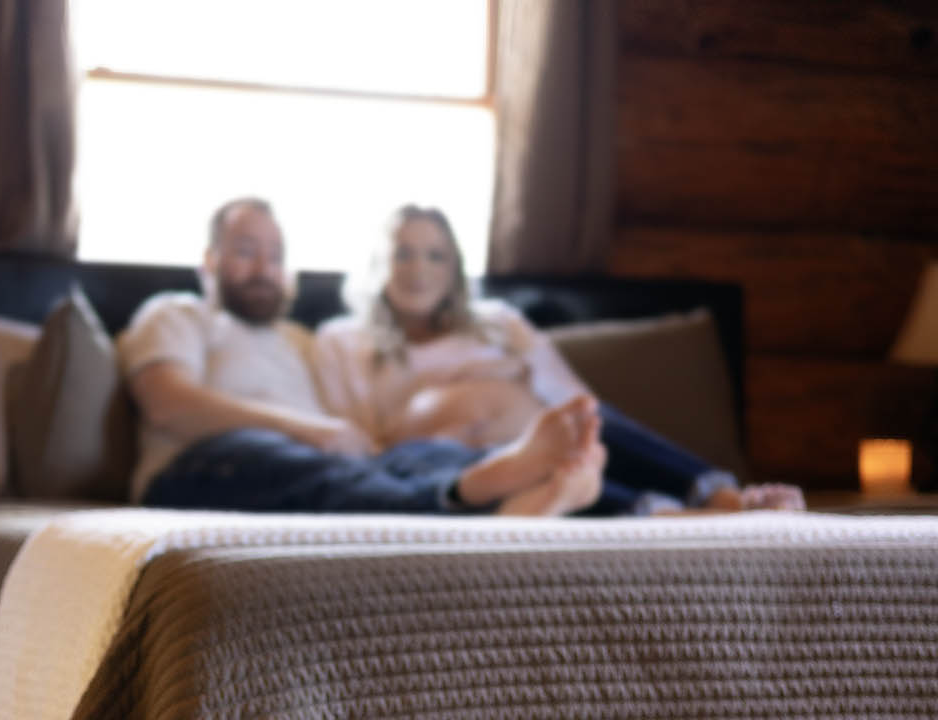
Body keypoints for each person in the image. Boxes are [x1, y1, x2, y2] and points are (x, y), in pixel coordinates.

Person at [118, 198, 605, 519]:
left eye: (276, 254)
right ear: (210, 261)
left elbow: (357, 418)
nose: (264, 268)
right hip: (201, 468)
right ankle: (481, 496)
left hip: (309, 466)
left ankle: (516, 491)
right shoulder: (178, 313)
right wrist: (315, 431)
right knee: (299, 463)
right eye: (246, 251)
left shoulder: (299, 342)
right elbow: (168, 402)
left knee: (413, 455)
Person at [314, 205, 806, 517]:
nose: (418, 269)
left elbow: (570, 394)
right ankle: (665, 519)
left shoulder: (498, 320)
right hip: (449, 464)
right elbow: (350, 438)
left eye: (435, 256)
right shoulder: (341, 339)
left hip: (537, 435)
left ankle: (718, 494)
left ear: (455, 269)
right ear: (379, 264)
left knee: (585, 420)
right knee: (537, 473)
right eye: (403, 253)